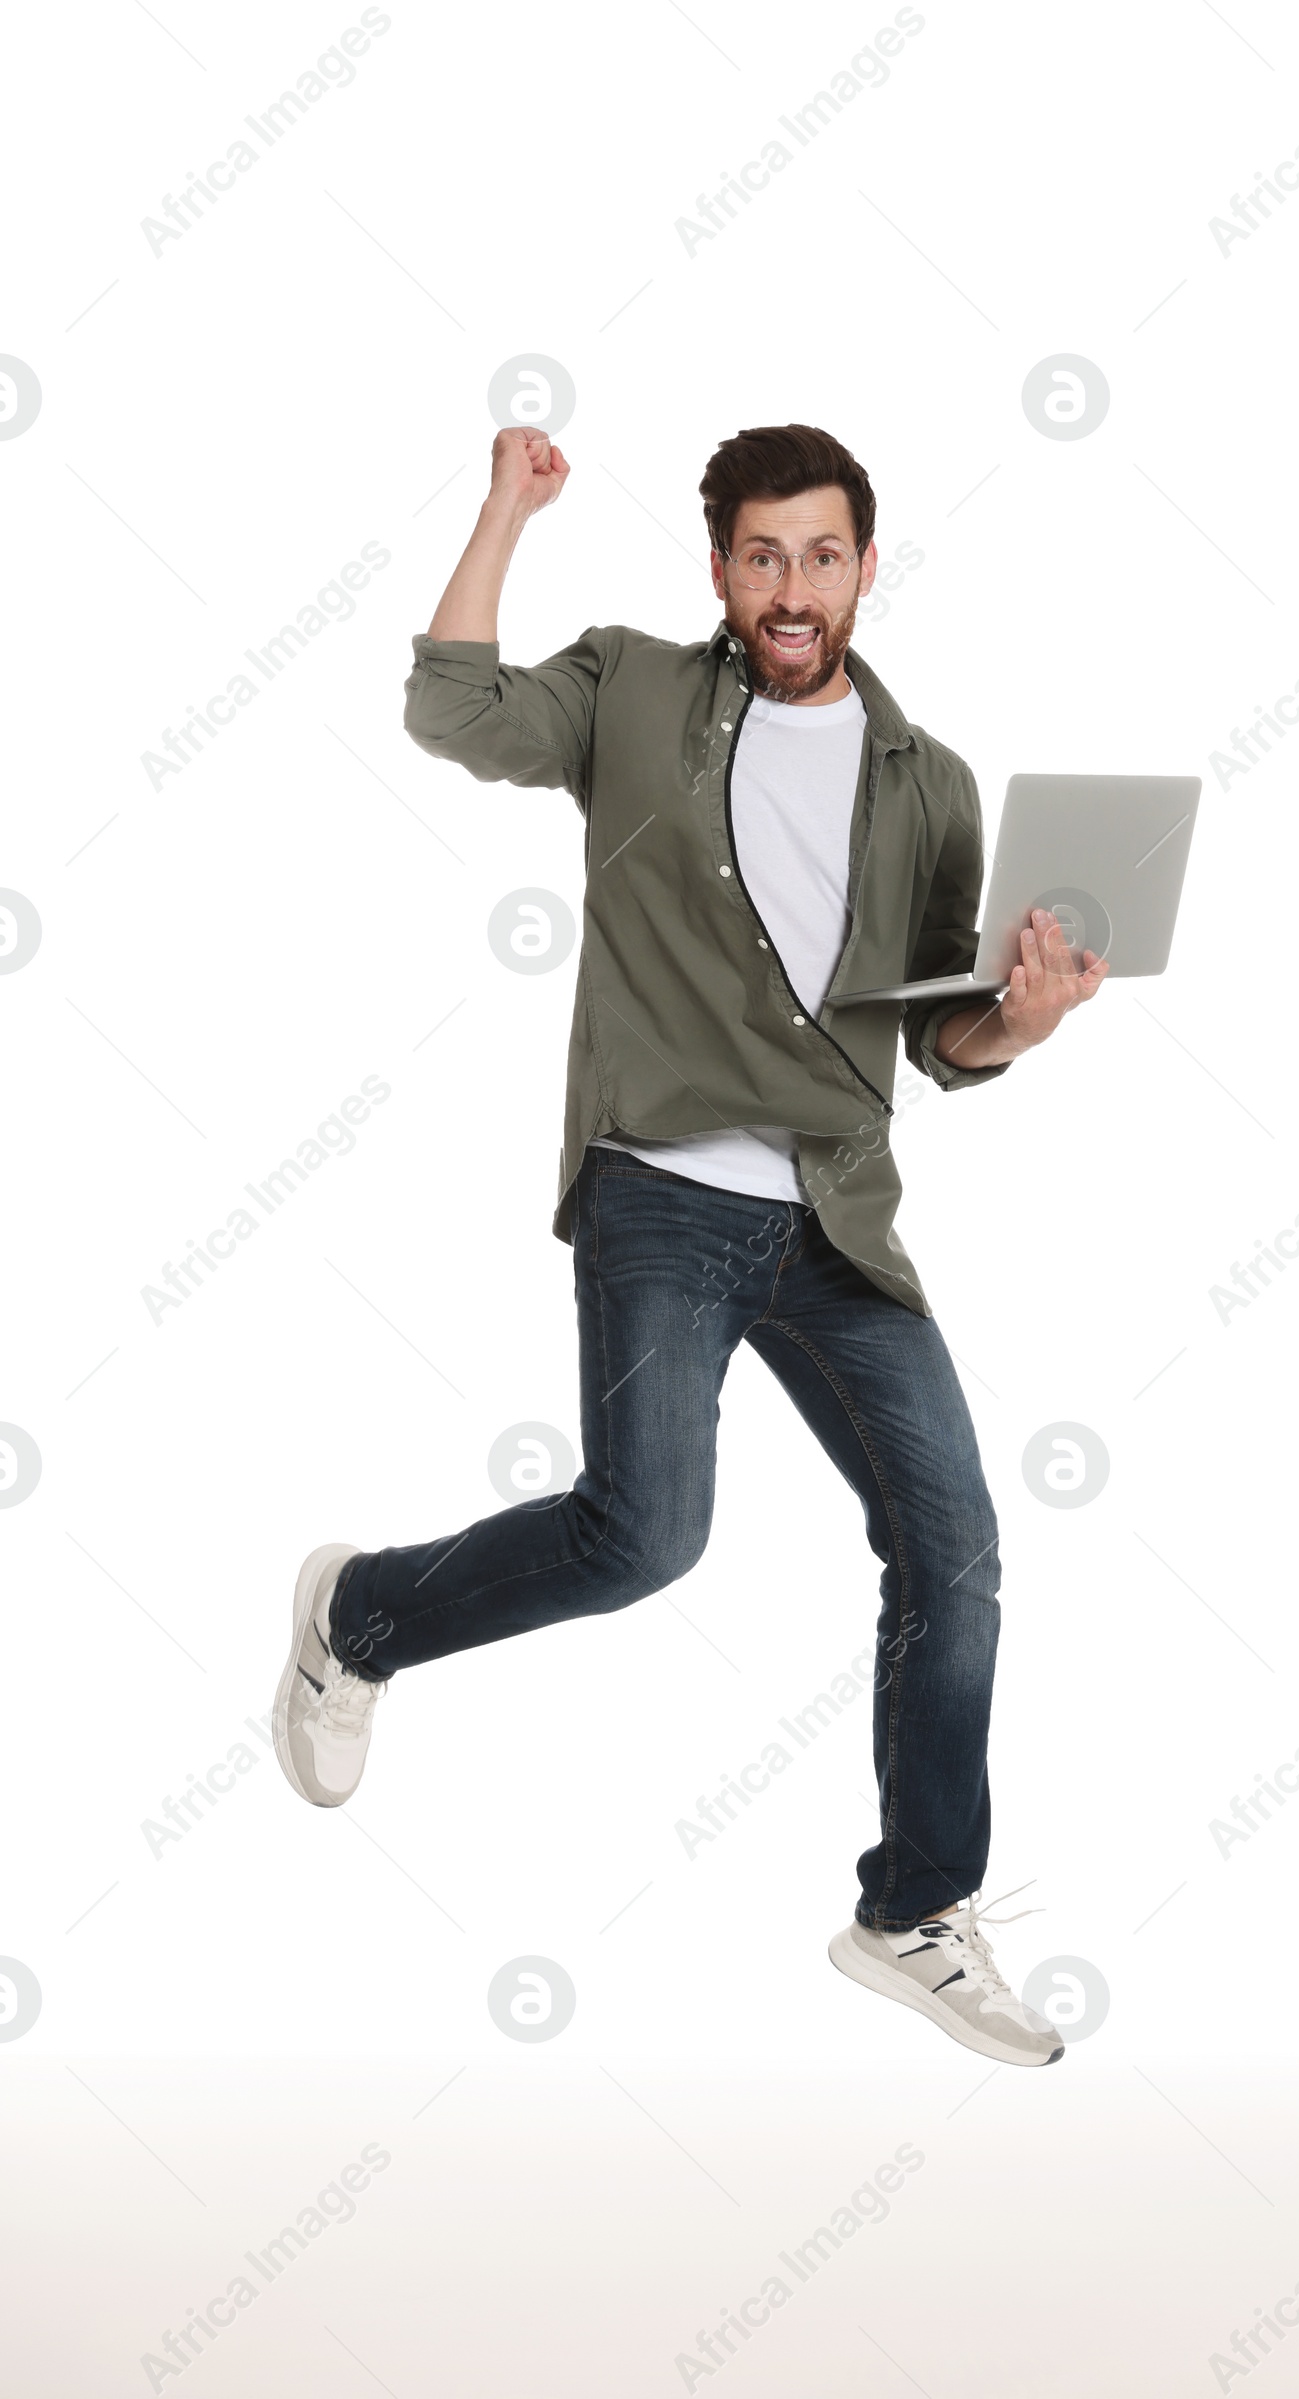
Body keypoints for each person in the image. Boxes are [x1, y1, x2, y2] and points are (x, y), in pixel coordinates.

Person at [272, 421, 1106, 2065]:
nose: (791, 588)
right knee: (645, 1538)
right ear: (718, 568)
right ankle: (359, 1615)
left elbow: (938, 1042)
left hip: (834, 1219)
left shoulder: (926, 781)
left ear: (869, 565)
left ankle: (913, 1911)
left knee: (956, 1550)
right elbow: (451, 708)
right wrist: (505, 507)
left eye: (821, 555)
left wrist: (1027, 1021)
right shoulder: (636, 694)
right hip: (658, 1190)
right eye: (760, 556)